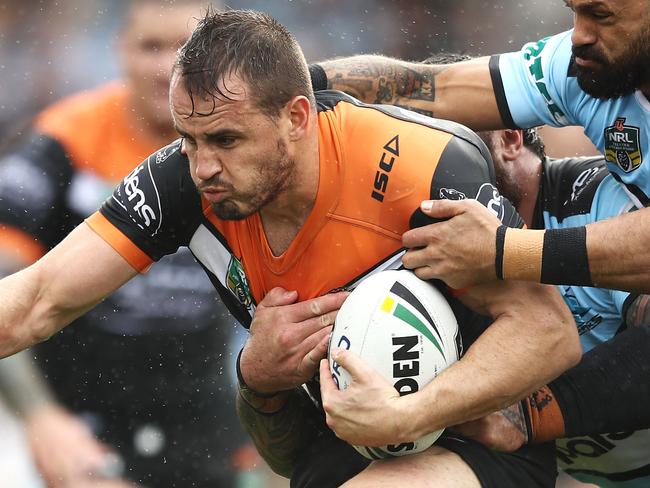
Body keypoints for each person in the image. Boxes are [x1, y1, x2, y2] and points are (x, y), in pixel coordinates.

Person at [0, 8, 581, 488]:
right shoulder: (182, 179)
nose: (202, 166)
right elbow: (37, 300)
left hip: (477, 441)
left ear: (297, 117)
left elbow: (549, 331)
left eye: (226, 139)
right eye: (188, 139)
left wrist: (409, 414)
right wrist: (259, 380)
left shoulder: (418, 165)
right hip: (342, 441)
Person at [307, 0, 650, 444]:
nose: (578, 34)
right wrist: (297, 83)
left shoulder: (592, 206)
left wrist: (505, 252)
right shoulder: (580, 64)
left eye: (600, 15)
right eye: (573, 10)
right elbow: (432, 89)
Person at [0, 1, 250, 487]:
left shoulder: (253, 147)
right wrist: (41, 419)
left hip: (208, 417)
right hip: (83, 424)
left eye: (185, 48)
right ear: (120, 51)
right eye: (150, 46)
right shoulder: (63, 142)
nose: (167, 67)